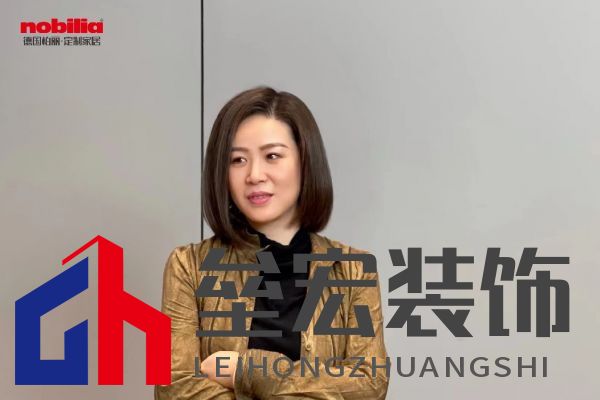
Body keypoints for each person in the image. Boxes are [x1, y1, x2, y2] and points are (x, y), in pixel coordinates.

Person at [155, 87, 388, 399]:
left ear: (305, 162)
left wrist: (246, 370)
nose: (254, 175)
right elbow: (174, 387)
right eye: (237, 160)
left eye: (272, 156)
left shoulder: (353, 270)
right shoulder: (189, 267)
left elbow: (369, 386)